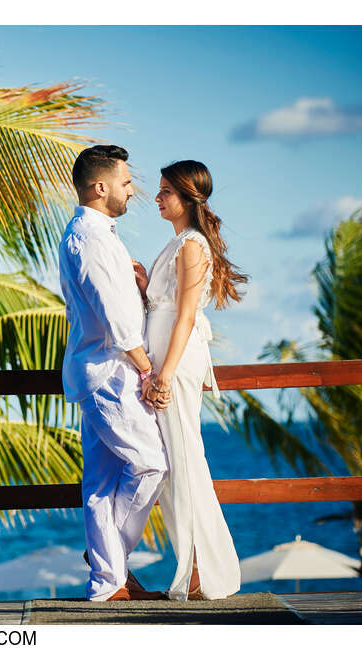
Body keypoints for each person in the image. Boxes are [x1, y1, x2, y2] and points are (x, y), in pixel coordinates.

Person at [58, 144, 170, 601]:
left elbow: (120, 304)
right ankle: (111, 568)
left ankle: (107, 581)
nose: (132, 189)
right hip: (110, 373)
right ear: (100, 187)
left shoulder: (97, 233)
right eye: (125, 181)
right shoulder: (90, 236)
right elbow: (115, 317)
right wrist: (149, 373)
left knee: (102, 484)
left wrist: (140, 287)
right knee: (150, 463)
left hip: (102, 370)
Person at [134, 160, 248, 600]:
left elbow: (184, 315)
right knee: (175, 464)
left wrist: (162, 374)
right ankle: (195, 567)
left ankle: (203, 571)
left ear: (186, 197)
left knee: (185, 461)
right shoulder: (178, 242)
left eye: (166, 191)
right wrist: (146, 286)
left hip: (175, 363)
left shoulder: (193, 246)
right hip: (165, 356)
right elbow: (165, 305)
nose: (158, 197)